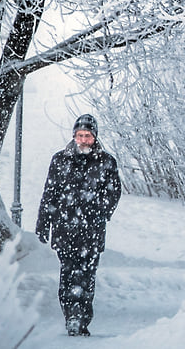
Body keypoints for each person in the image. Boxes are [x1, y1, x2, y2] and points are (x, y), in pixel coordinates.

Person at [36, 114, 122, 337]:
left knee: (86, 276)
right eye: (80, 135)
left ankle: (82, 316)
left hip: (92, 232)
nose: (83, 140)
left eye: (88, 136)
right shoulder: (60, 160)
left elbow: (113, 193)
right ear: (74, 136)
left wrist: (99, 209)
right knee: (68, 274)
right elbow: (50, 193)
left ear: (95, 137)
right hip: (65, 230)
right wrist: (44, 223)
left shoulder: (106, 161)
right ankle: (71, 316)